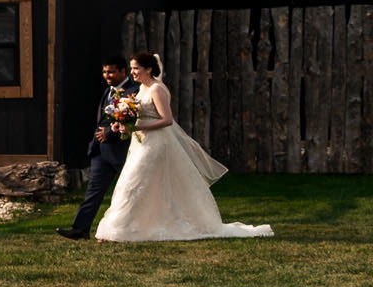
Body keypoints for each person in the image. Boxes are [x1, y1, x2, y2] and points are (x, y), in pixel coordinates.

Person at [92, 51, 273, 242]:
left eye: (136, 68)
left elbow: (167, 120)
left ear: (149, 69)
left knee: (134, 183)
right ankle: (127, 229)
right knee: (136, 184)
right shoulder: (142, 89)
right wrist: (122, 124)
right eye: (132, 68)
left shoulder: (156, 89)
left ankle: (121, 231)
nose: (133, 72)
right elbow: (138, 115)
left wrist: (138, 126)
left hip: (155, 144)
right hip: (140, 143)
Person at [57, 57, 138, 240]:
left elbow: (133, 120)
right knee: (93, 191)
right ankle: (80, 229)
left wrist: (110, 132)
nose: (107, 76)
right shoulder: (108, 92)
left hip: (122, 150)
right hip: (100, 151)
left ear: (123, 71)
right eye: (104, 72)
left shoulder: (134, 92)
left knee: (132, 191)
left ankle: (136, 229)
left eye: (111, 72)